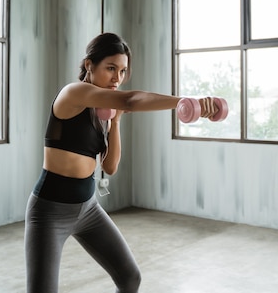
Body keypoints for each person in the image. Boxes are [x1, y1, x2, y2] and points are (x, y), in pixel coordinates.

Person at [25, 32, 218, 293]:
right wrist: (186, 102)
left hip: (88, 209)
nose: (117, 78)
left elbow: (110, 166)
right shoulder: (74, 93)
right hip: (50, 212)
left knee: (129, 278)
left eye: (123, 71)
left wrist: (115, 122)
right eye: (111, 68)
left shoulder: (103, 109)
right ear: (89, 65)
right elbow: (129, 99)